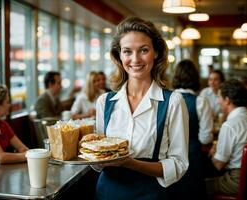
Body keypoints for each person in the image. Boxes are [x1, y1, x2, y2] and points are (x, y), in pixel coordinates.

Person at [94, 17, 189, 200]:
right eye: (127, 51)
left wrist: (131, 163)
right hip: (107, 192)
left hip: (149, 193)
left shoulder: (173, 101)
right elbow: (97, 163)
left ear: (156, 53)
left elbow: (178, 164)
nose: (135, 59)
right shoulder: (104, 102)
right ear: (119, 56)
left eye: (144, 50)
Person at [169, 59, 214, 200]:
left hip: (168, 158)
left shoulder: (167, 99)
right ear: (196, 77)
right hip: (192, 157)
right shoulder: (200, 101)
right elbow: (205, 138)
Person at [206, 79, 247, 197]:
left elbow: (218, 165)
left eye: (219, 97)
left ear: (227, 100)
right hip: (240, 176)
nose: (218, 101)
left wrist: (214, 152)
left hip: (237, 180)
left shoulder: (230, 125)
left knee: (196, 185)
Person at [0, 85, 28, 166]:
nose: (9, 105)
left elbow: (22, 148)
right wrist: (29, 156)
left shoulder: (2, 124)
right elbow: (0, 157)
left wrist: (28, 155)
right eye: (7, 102)